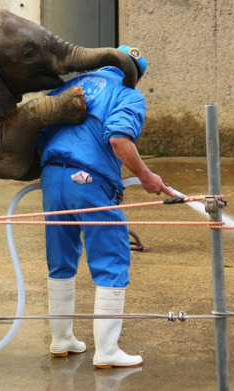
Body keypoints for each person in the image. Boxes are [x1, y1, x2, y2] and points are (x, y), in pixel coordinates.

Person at [37, 45, 175, 368]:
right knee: (112, 256)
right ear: (135, 77)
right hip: (89, 179)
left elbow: (40, 128)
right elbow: (118, 140)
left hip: (51, 178)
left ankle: (61, 339)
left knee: (60, 259)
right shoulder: (127, 93)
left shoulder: (73, 86)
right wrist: (146, 176)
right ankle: (108, 350)